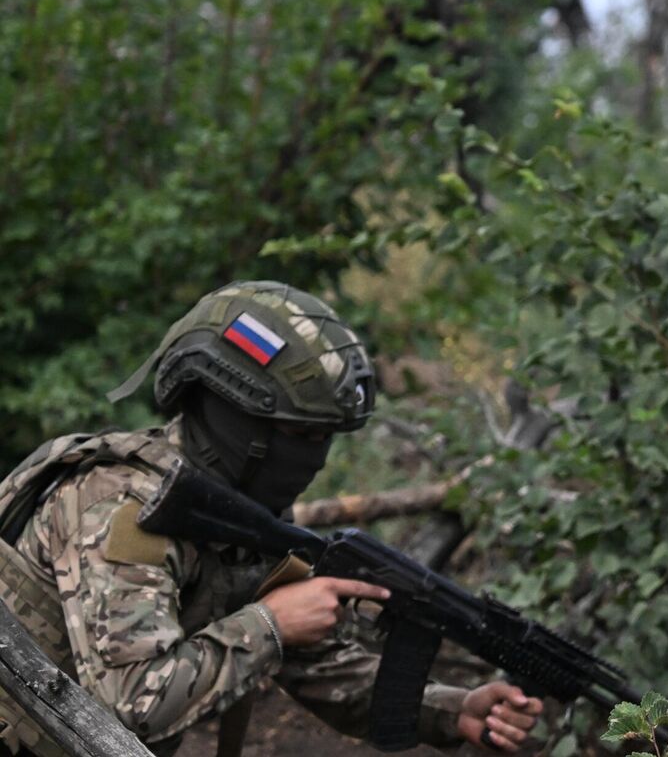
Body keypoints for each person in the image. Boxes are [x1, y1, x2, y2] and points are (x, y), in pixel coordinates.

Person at [0, 281, 544, 756]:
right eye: (300, 435)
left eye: (325, 438)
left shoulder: (239, 515)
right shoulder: (120, 509)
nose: (314, 457)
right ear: (231, 417)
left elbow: (320, 669)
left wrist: (453, 710)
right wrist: (271, 623)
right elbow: (127, 705)